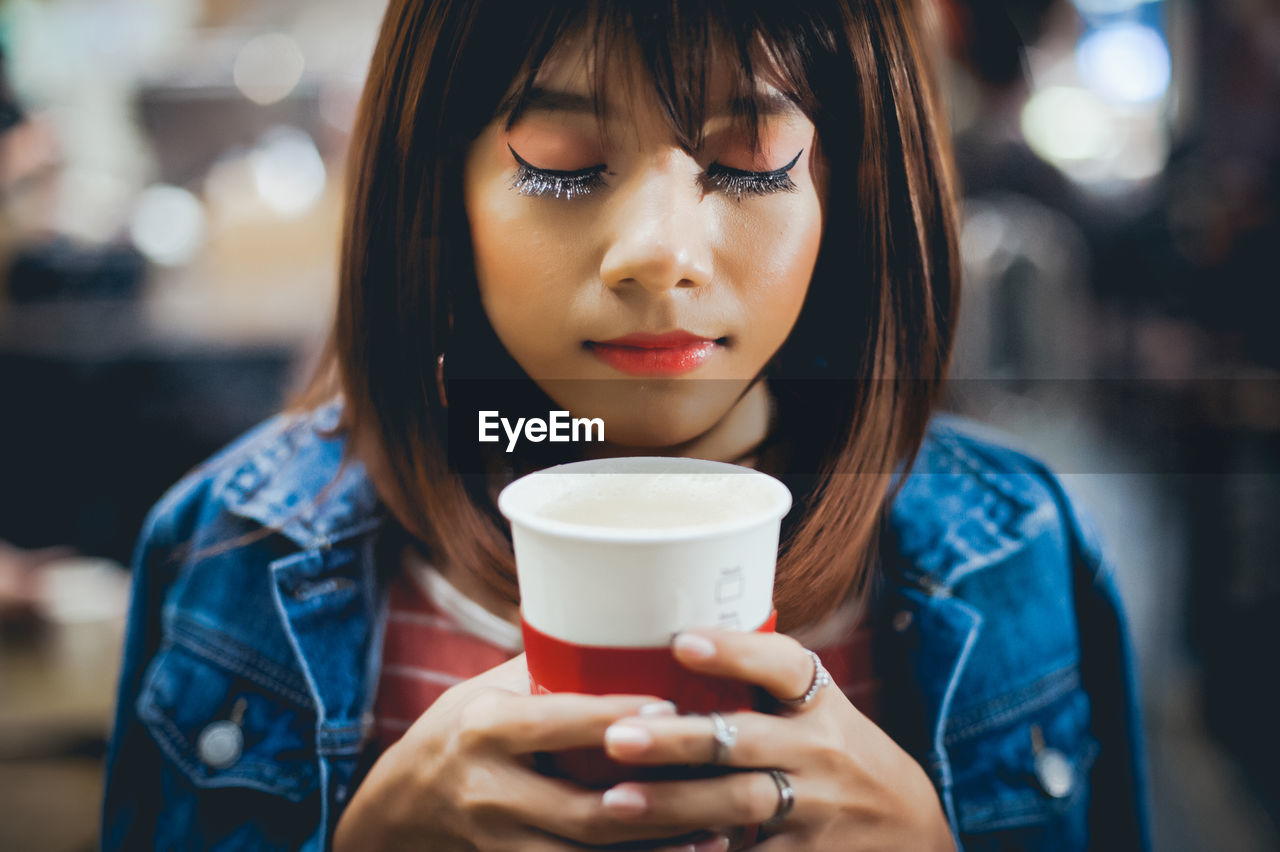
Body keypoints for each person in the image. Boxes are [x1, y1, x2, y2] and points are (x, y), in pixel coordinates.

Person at [101, 1, 1150, 850]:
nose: (657, 252)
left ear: (850, 191)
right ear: (438, 187)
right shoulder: (229, 554)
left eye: (749, 161)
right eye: (559, 159)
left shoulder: (1018, 554)